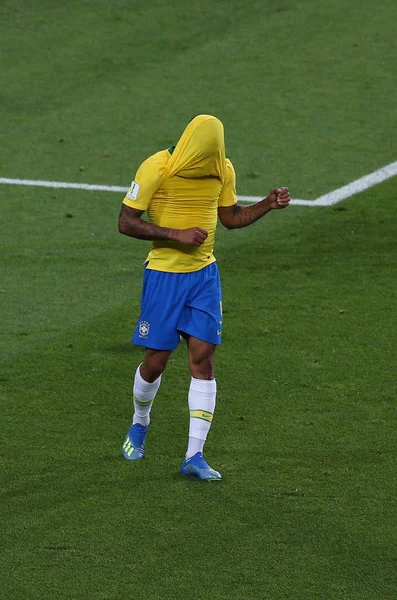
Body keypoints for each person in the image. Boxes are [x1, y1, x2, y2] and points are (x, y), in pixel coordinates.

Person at [118, 114, 290, 481]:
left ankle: (194, 455)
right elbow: (126, 221)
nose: (208, 163)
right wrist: (173, 234)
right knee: (157, 362)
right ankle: (139, 423)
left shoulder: (222, 168)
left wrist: (266, 204)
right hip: (164, 276)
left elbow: (231, 218)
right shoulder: (156, 167)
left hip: (204, 277)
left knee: (203, 359)